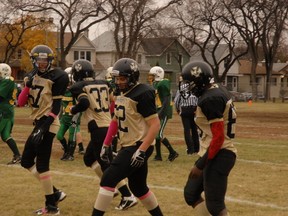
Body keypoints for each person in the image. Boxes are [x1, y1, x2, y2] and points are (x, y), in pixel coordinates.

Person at [92, 58, 163, 216]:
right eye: (117, 79)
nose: (119, 82)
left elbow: (155, 124)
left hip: (137, 145)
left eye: (122, 78)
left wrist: (142, 150)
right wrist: (106, 143)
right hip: (129, 145)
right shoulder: (120, 94)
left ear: (133, 78)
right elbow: (115, 121)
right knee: (139, 188)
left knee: (107, 179)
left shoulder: (142, 93)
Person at [69, 59, 137, 211]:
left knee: (107, 165)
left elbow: (84, 103)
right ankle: (110, 187)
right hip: (106, 124)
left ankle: (127, 195)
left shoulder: (78, 86)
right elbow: (114, 100)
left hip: (99, 128)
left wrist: (74, 109)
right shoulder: (104, 83)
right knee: (89, 159)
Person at [181, 61, 237, 216]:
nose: (187, 87)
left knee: (215, 205)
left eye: (189, 83)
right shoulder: (214, 90)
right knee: (191, 194)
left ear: (199, 81)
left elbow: (218, 138)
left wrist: (200, 164)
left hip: (221, 153)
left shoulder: (210, 99)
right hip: (211, 150)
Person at [18, 45, 69, 215]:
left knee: (42, 164)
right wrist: (27, 84)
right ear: (34, 60)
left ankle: (52, 206)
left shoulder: (58, 76)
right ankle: (55, 193)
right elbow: (20, 102)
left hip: (49, 121)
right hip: (38, 122)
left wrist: (44, 127)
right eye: (39, 60)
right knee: (26, 161)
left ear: (50, 61)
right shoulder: (31, 75)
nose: (41, 63)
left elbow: (56, 106)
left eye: (45, 60)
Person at [149, 66, 178, 162]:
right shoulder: (156, 83)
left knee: (159, 134)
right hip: (158, 110)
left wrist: (160, 113)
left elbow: (165, 101)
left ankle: (173, 152)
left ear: (158, 74)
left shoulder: (163, 83)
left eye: (153, 75)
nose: (151, 77)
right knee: (156, 134)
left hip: (164, 111)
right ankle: (158, 156)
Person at [56, 67, 85, 161]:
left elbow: (80, 105)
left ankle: (70, 155)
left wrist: (77, 116)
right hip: (64, 118)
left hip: (73, 118)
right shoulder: (62, 91)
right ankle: (67, 151)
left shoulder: (76, 91)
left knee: (72, 137)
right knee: (59, 136)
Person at [0, 63, 22, 165]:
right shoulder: (8, 81)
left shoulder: (8, 80)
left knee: (5, 135)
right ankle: (17, 156)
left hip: (4, 112)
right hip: (7, 111)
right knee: (5, 136)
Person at [174, 76, 199, 155]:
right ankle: (196, 148)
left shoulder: (181, 88)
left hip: (185, 110)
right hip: (194, 109)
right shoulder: (195, 88)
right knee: (195, 130)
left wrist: (177, 109)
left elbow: (177, 100)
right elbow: (198, 98)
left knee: (187, 130)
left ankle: (190, 149)